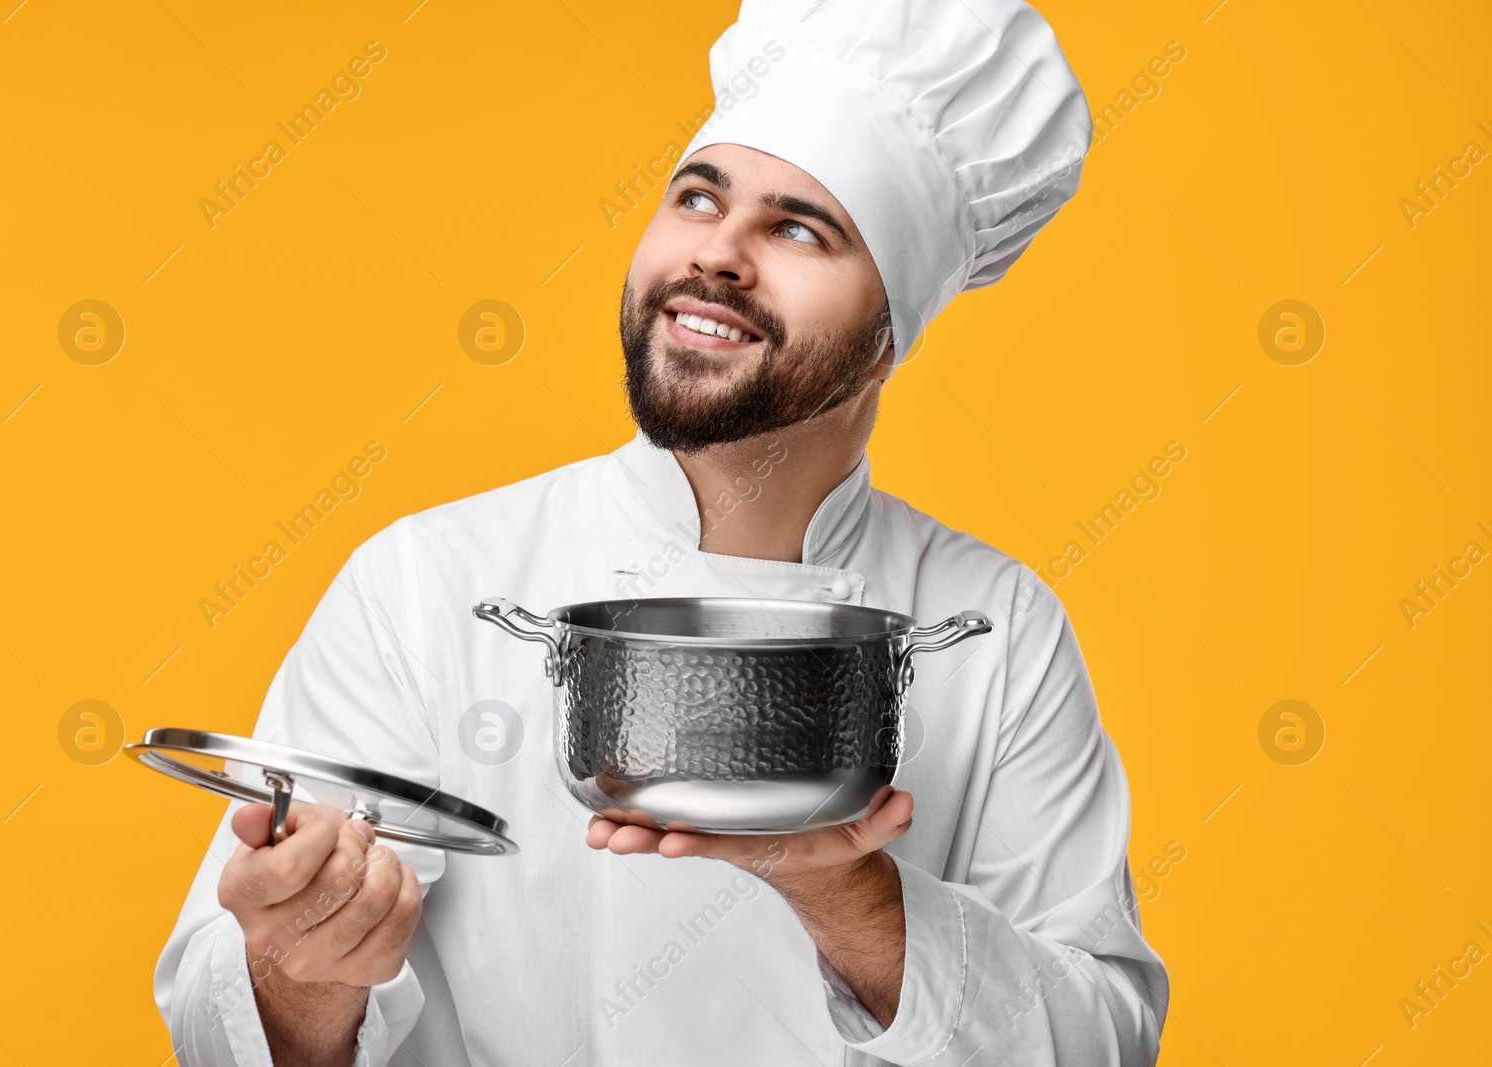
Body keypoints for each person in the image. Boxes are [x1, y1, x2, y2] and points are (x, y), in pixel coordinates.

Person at [153, 1, 1169, 1063]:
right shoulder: (425, 582)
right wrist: (304, 961)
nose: (718, 255)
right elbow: (226, 1036)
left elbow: (1101, 1043)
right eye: (697, 198)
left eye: (798, 227)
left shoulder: (997, 628)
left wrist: (848, 890)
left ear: (886, 340)